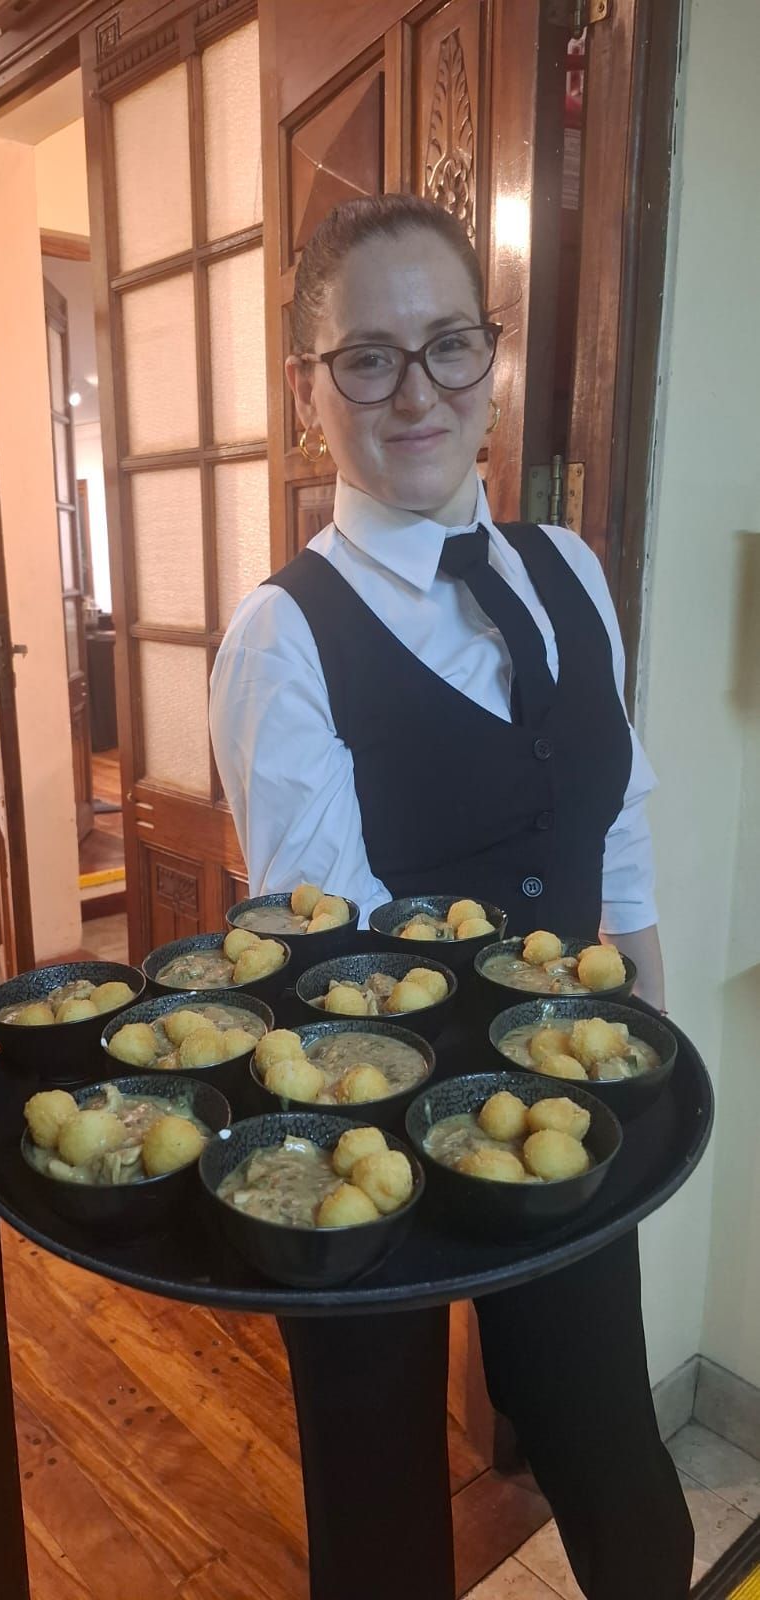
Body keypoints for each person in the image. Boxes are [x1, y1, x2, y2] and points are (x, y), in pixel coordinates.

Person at [209, 194, 691, 1600]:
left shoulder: (572, 570)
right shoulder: (281, 633)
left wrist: (636, 1088)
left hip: (558, 1118)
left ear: (494, 360)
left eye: (449, 346)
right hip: (364, 1152)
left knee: (617, 1468)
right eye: (367, 357)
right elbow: (329, 958)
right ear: (311, 392)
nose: (414, 392)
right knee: (378, 1530)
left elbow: (621, 846)